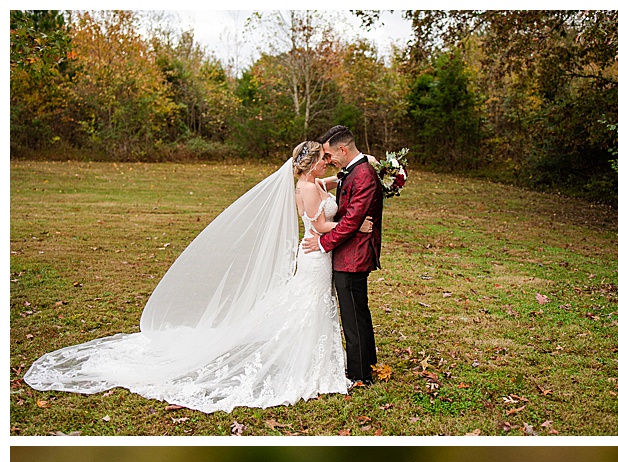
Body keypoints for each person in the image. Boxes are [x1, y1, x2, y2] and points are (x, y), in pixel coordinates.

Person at [24, 141, 377, 412]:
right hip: (316, 256)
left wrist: (356, 170)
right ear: (312, 162)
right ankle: (305, 362)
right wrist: (357, 224)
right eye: (323, 160)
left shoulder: (307, 183)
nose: (327, 164)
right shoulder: (311, 189)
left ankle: (310, 356)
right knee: (309, 307)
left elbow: (326, 185)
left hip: (315, 256)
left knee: (307, 306)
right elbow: (319, 225)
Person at [300, 126, 399, 388]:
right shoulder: (353, 169)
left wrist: (322, 242)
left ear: (343, 150)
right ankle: (365, 365)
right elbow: (350, 218)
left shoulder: (363, 174)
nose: (328, 160)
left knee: (354, 316)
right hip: (344, 252)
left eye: (330, 154)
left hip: (353, 256)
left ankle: (360, 374)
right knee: (355, 313)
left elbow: (352, 219)